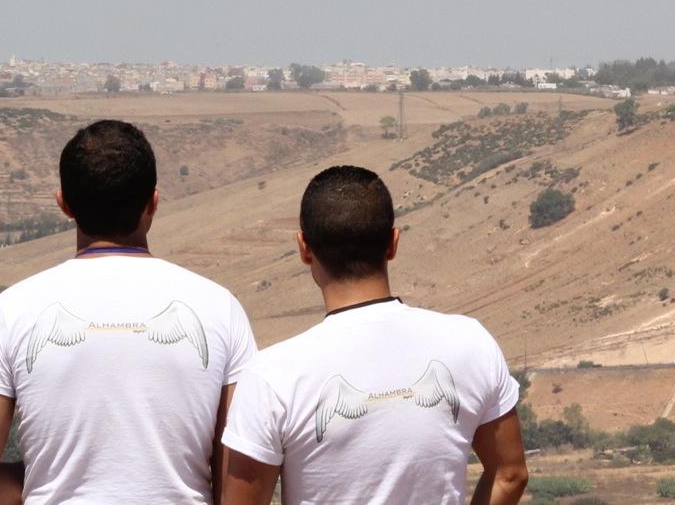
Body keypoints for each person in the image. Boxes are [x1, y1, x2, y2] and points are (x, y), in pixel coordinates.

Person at [0, 120, 257, 505]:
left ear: (64, 204)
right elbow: (239, 484)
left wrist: (37, 478)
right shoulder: (220, 308)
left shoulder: (10, 312)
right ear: (153, 202)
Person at [220, 166, 528, 505]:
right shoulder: (470, 343)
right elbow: (509, 474)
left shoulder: (271, 376)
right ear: (393, 243)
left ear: (304, 248)